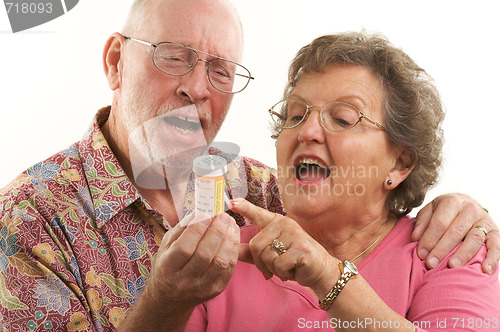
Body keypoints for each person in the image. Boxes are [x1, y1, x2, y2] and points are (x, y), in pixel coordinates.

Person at [0, 0, 496, 330]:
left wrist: (463, 206)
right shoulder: (26, 222)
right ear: (114, 62)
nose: (196, 88)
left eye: (219, 70)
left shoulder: (260, 193)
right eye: (175, 57)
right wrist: (166, 301)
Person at [185, 32, 500, 331]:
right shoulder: (224, 255)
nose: (306, 131)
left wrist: (328, 275)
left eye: (343, 119)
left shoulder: (446, 251)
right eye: (295, 116)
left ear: (399, 164)